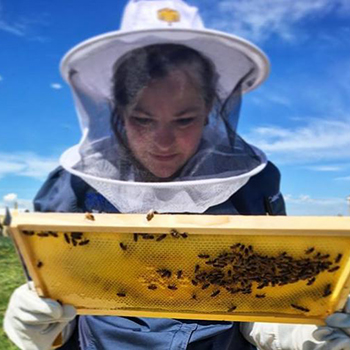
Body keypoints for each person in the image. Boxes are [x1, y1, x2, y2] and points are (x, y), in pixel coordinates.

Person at [4, 1, 350, 349]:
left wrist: (293, 329)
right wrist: (43, 328)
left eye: (184, 120)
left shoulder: (253, 184)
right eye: (143, 119)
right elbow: (59, 298)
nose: (163, 142)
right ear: (118, 115)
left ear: (210, 114)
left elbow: (260, 292)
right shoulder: (73, 186)